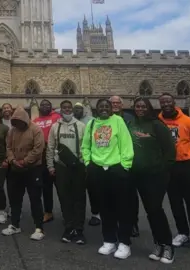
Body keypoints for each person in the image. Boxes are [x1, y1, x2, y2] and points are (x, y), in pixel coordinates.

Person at [82, 98, 134, 259]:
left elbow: (126, 144)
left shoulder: (118, 121)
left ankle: (125, 243)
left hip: (116, 169)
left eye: (107, 106)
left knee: (122, 208)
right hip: (98, 170)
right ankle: (109, 240)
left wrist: (125, 166)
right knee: (105, 208)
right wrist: (88, 162)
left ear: (112, 109)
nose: (104, 108)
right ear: (96, 109)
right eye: (101, 106)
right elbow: (85, 146)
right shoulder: (91, 124)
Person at [158, 93, 190, 255]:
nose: (166, 104)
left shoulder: (188, 121)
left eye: (168, 101)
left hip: (187, 166)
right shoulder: (158, 123)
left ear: (174, 102)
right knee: (175, 202)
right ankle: (183, 233)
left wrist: (186, 154)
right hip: (169, 167)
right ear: (160, 105)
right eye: (163, 102)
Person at [128, 97, 176, 263]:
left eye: (143, 106)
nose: (140, 109)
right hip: (138, 176)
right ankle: (158, 244)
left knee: (156, 209)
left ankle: (168, 245)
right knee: (150, 211)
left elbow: (170, 152)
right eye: (137, 106)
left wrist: (162, 170)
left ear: (148, 108)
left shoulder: (157, 125)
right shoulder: (131, 125)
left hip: (156, 176)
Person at [1, 106, 45, 241]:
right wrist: (13, 160)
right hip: (15, 169)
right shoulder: (12, 131)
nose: (17, 124)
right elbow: (8, 147)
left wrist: (25, 161)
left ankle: (39, 228)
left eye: (20, 121)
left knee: (35, 198)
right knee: (15, 199)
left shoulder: (35, 130)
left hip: (32, 169)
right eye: (15, 121)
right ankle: (15, 225)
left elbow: (38, 149)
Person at [47, 100, 87, 244]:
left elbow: (86, 146)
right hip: (61, 166)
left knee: (79, 198)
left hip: (78, 166)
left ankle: (79, 229)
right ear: (61, 110)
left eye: (69, 107)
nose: (67, 110)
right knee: (64, 197)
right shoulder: (55, 127)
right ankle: (69, 226)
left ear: (73, 109)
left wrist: (84, 163)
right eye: (64, 108)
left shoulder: (81, 126)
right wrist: (51, 166)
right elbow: (50, 148)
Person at [110, 95, 139, 236]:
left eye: (117, 103)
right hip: (111, 162)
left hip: (128, 161)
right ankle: (115, 223)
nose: (115, 105)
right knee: (114, 195)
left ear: (122, 105)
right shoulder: (104, 119)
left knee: (130, 196)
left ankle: (133, 224)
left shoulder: (130, 118)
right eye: (112, 103)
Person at [32, 99, 61, 223]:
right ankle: (48, 212)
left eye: (47, 104)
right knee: (46, 187)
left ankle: (67, 213)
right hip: (42, 156)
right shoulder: (35, 122)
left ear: (51, 107)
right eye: (42, 105)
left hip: (56, 155)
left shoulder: (57, 117)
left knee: (61, 187)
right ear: (39, 108)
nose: (45, 106)